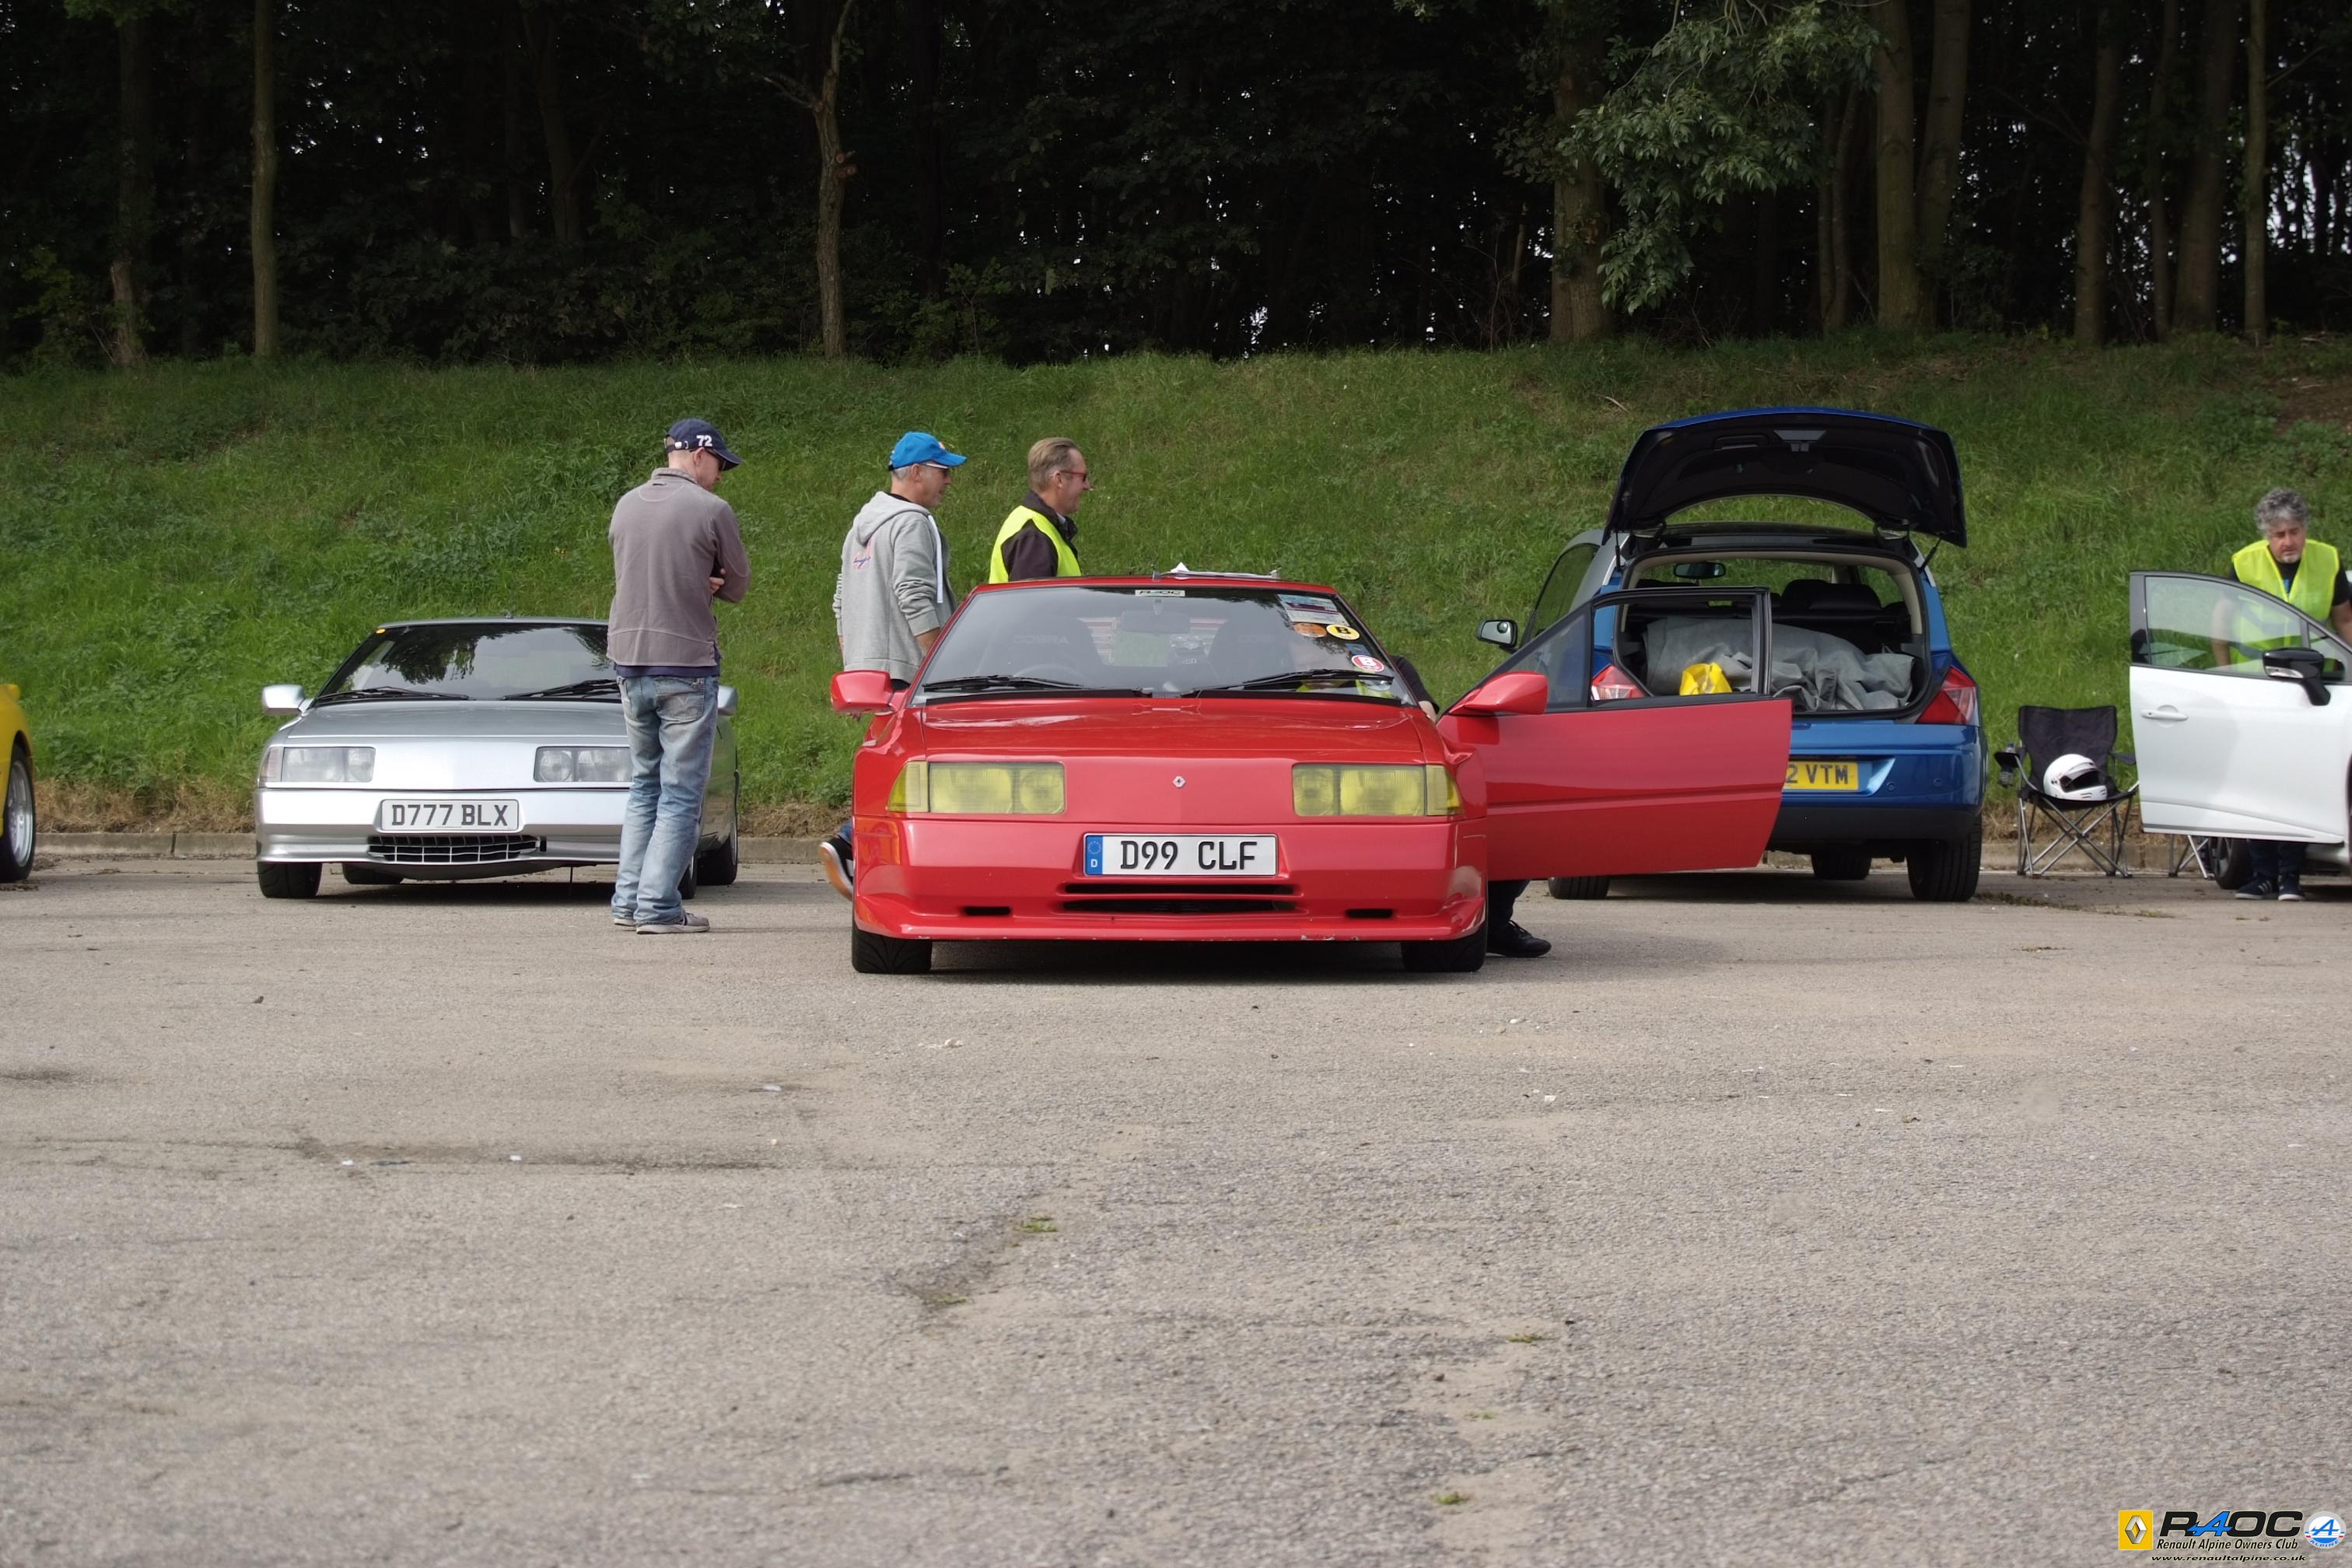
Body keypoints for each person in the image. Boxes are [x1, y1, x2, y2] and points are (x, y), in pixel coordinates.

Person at [607, 417, 751, 934]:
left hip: (629, 662)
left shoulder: (626, 505)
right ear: (698, 455)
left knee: (644, 785)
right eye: (719, 464)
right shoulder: (711, 510)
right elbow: (737, 584)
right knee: (682, 793)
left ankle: (628, 901)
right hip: (685, 665)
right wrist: (707, 580)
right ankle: (658, 906)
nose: (720, 476)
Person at [821, 431, 966, 898]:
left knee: (895, 766)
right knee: (924, 770)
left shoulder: (861, 525)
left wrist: (857, 666)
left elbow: (841, 600)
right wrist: (940, 662)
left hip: (874, 674)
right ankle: (850, 843)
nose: (949, 481)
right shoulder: (913, 523)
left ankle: (860, 850)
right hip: (911, 672)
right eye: (943, 472)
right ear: (917, 472)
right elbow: (914, 593)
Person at [2210, 488, 2345, 903]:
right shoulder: (2244, 562)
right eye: (2279, 534)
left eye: (2294, 532)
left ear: (2306, 529)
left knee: (2298, 781)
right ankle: (2262, 874)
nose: (2288, 542)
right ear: (2266, 536)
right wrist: (2224, 676)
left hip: (2307, 685)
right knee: (2257, 781)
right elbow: (2220, 624)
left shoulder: (2328, 560)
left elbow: (2345, 620)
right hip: (2256, 684)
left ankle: (2290, 876)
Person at [1389, 653, 1549, 958]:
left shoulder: (1389, 665)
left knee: (1511, 824)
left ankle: (1494, 922)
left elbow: (1426, 716)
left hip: (1391, 778)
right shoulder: (1290, 669)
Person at [988, 437, 1090, 582]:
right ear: (1059, 480)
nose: (1087, 486)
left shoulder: (1036, 525)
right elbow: (1030, 597)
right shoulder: (1034, 538)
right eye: (1083, 478)